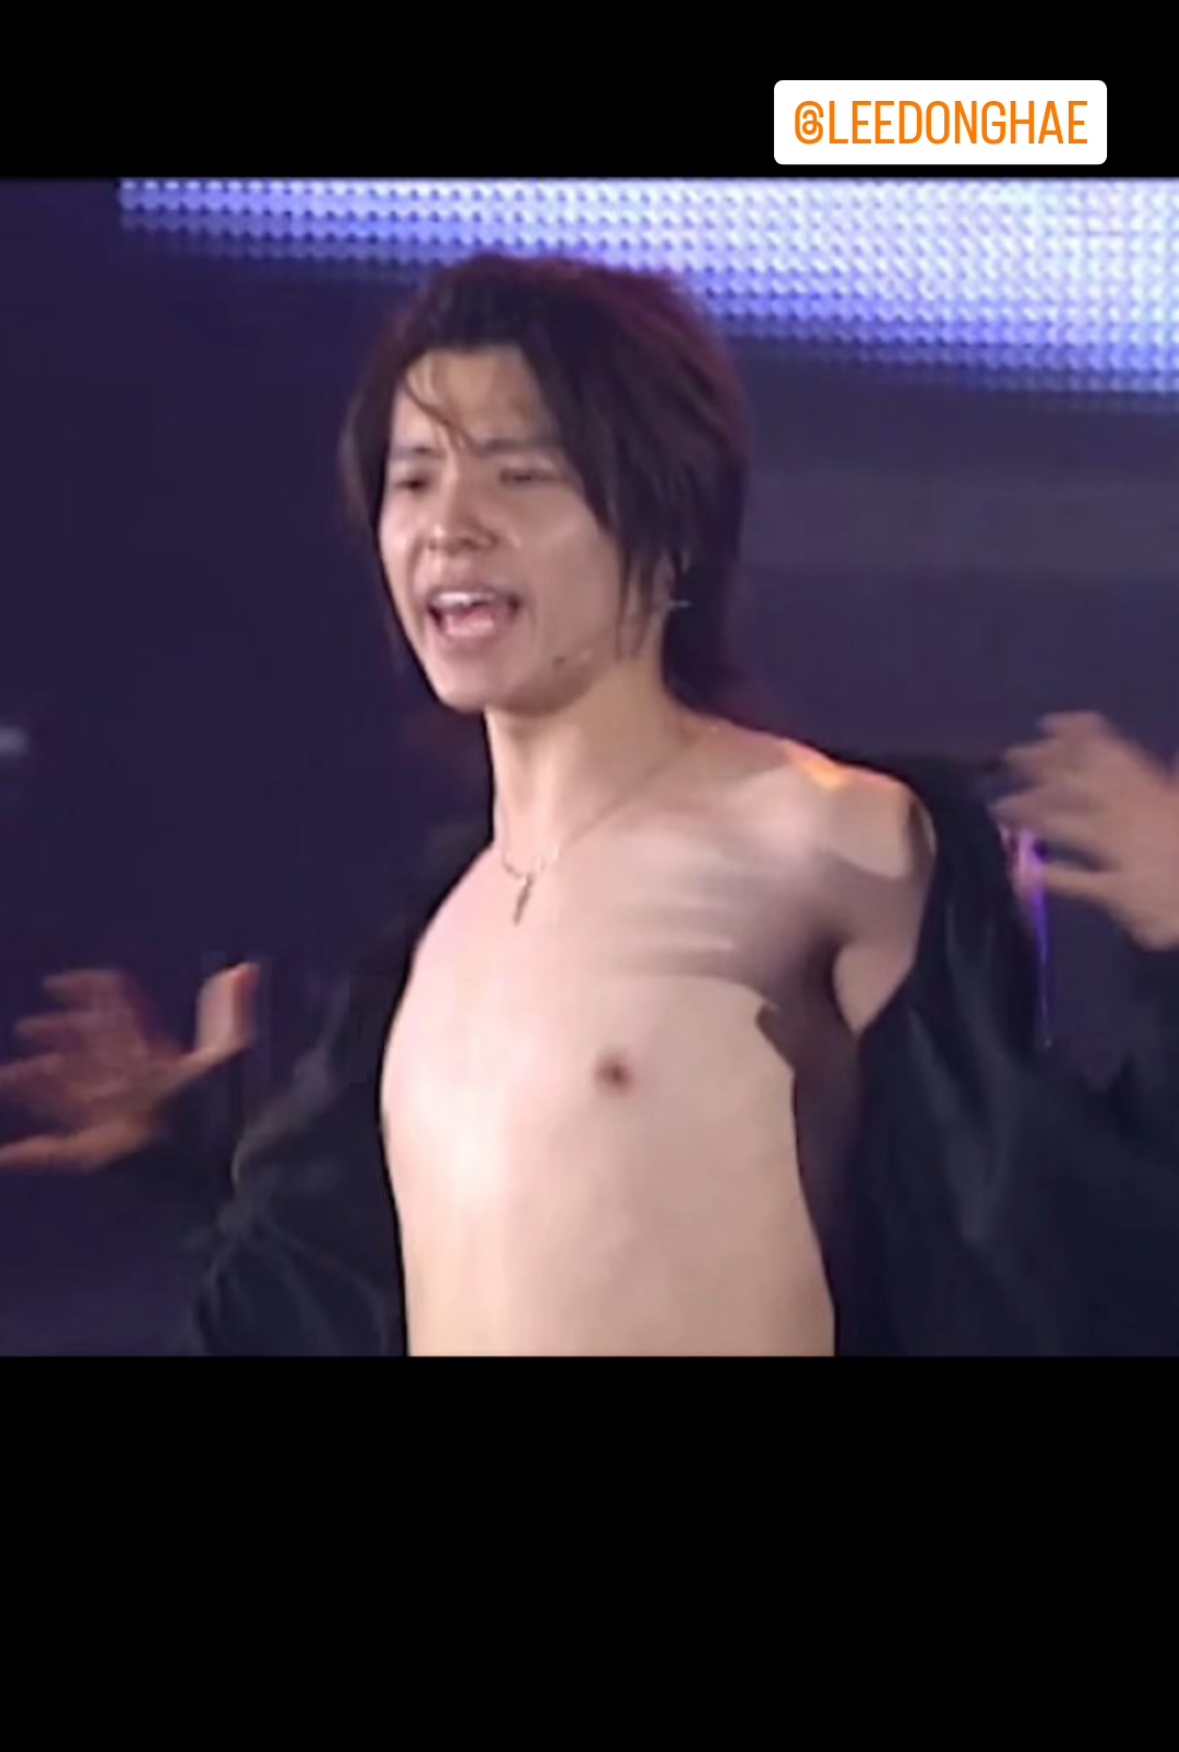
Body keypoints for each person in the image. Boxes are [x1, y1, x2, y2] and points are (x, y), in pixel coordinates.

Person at [2, 255, 1178, 1354]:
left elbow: (1052, 1241)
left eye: (518, 473)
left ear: (668, 530)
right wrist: (208, 1145)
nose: (450, 524)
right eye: (414, 478)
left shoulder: (828, 841)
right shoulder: (432, 938)